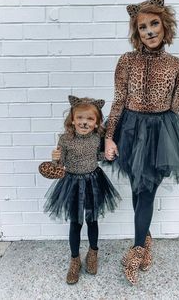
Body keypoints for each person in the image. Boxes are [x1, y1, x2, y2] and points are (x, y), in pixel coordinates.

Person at [104, 0, 179, 285]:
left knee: (147, 189)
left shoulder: (176, 64)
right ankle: (146, 237)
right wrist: (109, 138)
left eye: (154, 24)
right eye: (143, 27)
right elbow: (117, 101)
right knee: (139, 188)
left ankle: (138, 248)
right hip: (129, 130)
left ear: (165, 27)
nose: (149, 31)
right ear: (136, 32)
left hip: (161, 133)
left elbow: (175, 107)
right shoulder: (126, 61)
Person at [44, 95, 121, 284]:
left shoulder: (97, 138)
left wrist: (109, 155)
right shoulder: (65, 139)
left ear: (96, 123)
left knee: (92, 220)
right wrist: (55, 158)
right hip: (72, 183)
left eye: (89, 119)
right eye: (80, 118)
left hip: (93, 182)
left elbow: (97, 156)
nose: (84, 122)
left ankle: (93, 253)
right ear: (72, 119)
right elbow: (60, 164)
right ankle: (75, 260)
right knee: (75, 223)